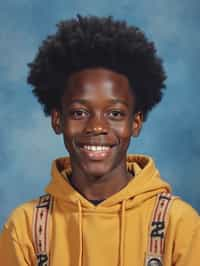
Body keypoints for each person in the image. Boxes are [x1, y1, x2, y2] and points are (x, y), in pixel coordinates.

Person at [0, 15, 199, 266]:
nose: (96, 126)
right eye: (79, 113)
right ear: (57, 120)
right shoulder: (26, 229)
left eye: (115, 114)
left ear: (135, 123)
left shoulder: (179, 226)